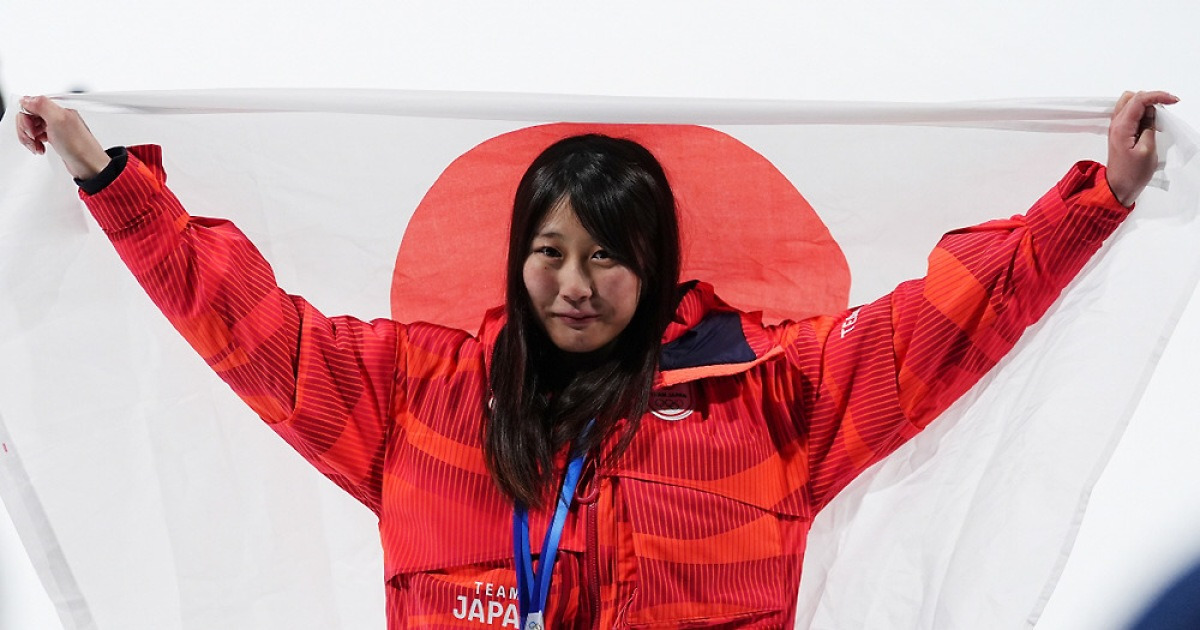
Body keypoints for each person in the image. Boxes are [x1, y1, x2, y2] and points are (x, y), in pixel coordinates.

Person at [15, 91, 1177, 629]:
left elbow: (947, 325)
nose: (574, 286)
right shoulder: (416, 402)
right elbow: (247, 324)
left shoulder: (772, 401)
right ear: (515, 258)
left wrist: (1099, 200)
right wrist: (112, 182)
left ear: (659, 264)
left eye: (609, 257)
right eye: (548, 252)